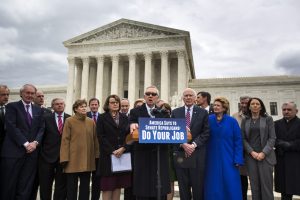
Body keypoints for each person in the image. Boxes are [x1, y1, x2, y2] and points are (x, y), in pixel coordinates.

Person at [0, 84, 44, 200]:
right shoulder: (12, 107)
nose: (29, 95)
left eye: (32, 93)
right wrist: (25, 143)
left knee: (25, 186)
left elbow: (41, 128)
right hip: (13, 153)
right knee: (9, 185)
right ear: (21, 94)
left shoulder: (38, 110)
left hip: (31, 154)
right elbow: (11, 127)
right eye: (27, 93)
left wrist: (35, 143)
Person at [129, 85, 170, 200]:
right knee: (143, 186)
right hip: (143, 154)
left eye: (153, 94)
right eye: (148, 94)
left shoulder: (164, 112)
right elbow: (131, 123)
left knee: (160, 186)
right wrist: (132, 124)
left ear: (157, 97)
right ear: (144, 96)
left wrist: (182, 128)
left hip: (160, 154)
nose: (150, 96)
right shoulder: (135, 112)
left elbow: (171, 128)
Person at [172, 88, 210, 200]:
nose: (188, 97)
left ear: (195, 98)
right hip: (181, 154)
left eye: (190, 95)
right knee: (183, 188)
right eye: (186, 95)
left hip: (197, 154)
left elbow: (206, 132)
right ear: (182, 98)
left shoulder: (203, 112)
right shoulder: (175, 112)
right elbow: (172, 131)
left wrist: (193, 145)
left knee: (198, 187)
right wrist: (183, 144)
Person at [204, 97, 243, 199]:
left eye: (218, 105)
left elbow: (238, 141)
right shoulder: (208, 119)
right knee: (213, 182)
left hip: (229, 157)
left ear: (224, 108)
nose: (215, 107)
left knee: (230, 182)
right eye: (214, 105)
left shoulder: (232, 121)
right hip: (211, 157)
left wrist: (238, 158)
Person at [60, 99, 99, 200]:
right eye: (81, 106)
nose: (84, 108)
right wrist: (64, 158)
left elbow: (95, 140)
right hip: (72, 160)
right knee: (71, 189)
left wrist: (96, 156)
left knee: (85, 189)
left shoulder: (91, 122)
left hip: (87, 161)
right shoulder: (69, 121)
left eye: (85, 106)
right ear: (75, 109)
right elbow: (65, 141)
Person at [97, 94, 131, 200]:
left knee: (118, 186)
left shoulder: (125, 118)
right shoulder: (102, 118)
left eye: (117, 102)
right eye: (112, 102)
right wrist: (113, 151)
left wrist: (123, 148)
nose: (115, 104)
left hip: (122, 156)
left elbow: (129, 136)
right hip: (108, 157)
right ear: (108, 104)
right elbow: (101, 136)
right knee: (107, 186)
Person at [241, 97, 276, 200]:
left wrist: (263, 153)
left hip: (265, 156)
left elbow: (272, 138)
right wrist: (252, 152)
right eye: (252, 104)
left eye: (257, 104)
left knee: (266, 185)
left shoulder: (268, 119)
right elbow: (242, 138)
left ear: (261, 107)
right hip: (251, 157)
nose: (255, 105)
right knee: (254, 185)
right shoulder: (245, 120)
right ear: (249, 107)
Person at [39, 98, 70, 200]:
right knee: (45, 185)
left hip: (63, 158)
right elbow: (41, 136)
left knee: (61, 186)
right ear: (53, 106)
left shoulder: (70, 119)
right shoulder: (46, 118)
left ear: (64, 105)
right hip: (47, 157)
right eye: (57, 104)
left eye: (61, 104)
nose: (59, 105)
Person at [274, 102, 300, 200]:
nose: (286, 112)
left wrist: (290, 145)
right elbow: (273, 139)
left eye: (289, 110)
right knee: (284, 188)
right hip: (282, 159)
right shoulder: (276, 124)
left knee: (295, 184)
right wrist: (281, 143)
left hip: (296, 159)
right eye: (284, 110)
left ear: (296, 111)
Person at [232, 96, 250, 200]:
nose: (243, 105)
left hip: (253, 152)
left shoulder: (256, 116)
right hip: (240, 152)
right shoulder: (234, 116)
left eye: (246, 103)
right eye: (242, 103)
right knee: (241, 179)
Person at [87, 97, 102, 200]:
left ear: (98, 105)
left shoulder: (103, 117)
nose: (94, 106)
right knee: (85, 179)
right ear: (89, 106)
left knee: (97, 179)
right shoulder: (84, 116)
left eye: (95, 104)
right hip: (87, 152)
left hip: (98, 153)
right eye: (92, 104)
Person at [0, 85, 10, 153]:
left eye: (7, 94)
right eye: (3, 94)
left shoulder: (10, 109)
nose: (6, 97)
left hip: (7, 149)